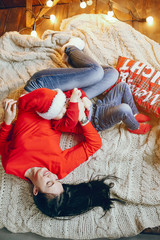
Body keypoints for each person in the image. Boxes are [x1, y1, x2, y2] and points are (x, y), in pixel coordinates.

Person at [0, 88, 123, 218]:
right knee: (106, 75)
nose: (51, 175)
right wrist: (82, 118)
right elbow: (94, 144)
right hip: (57, 99)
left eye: (49, 183)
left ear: (36, 190)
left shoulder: (11, 166)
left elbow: (2, 143)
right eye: (56, 180)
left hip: (34, 93)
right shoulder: (59, 168)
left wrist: (7, 122)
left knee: (97, 74)